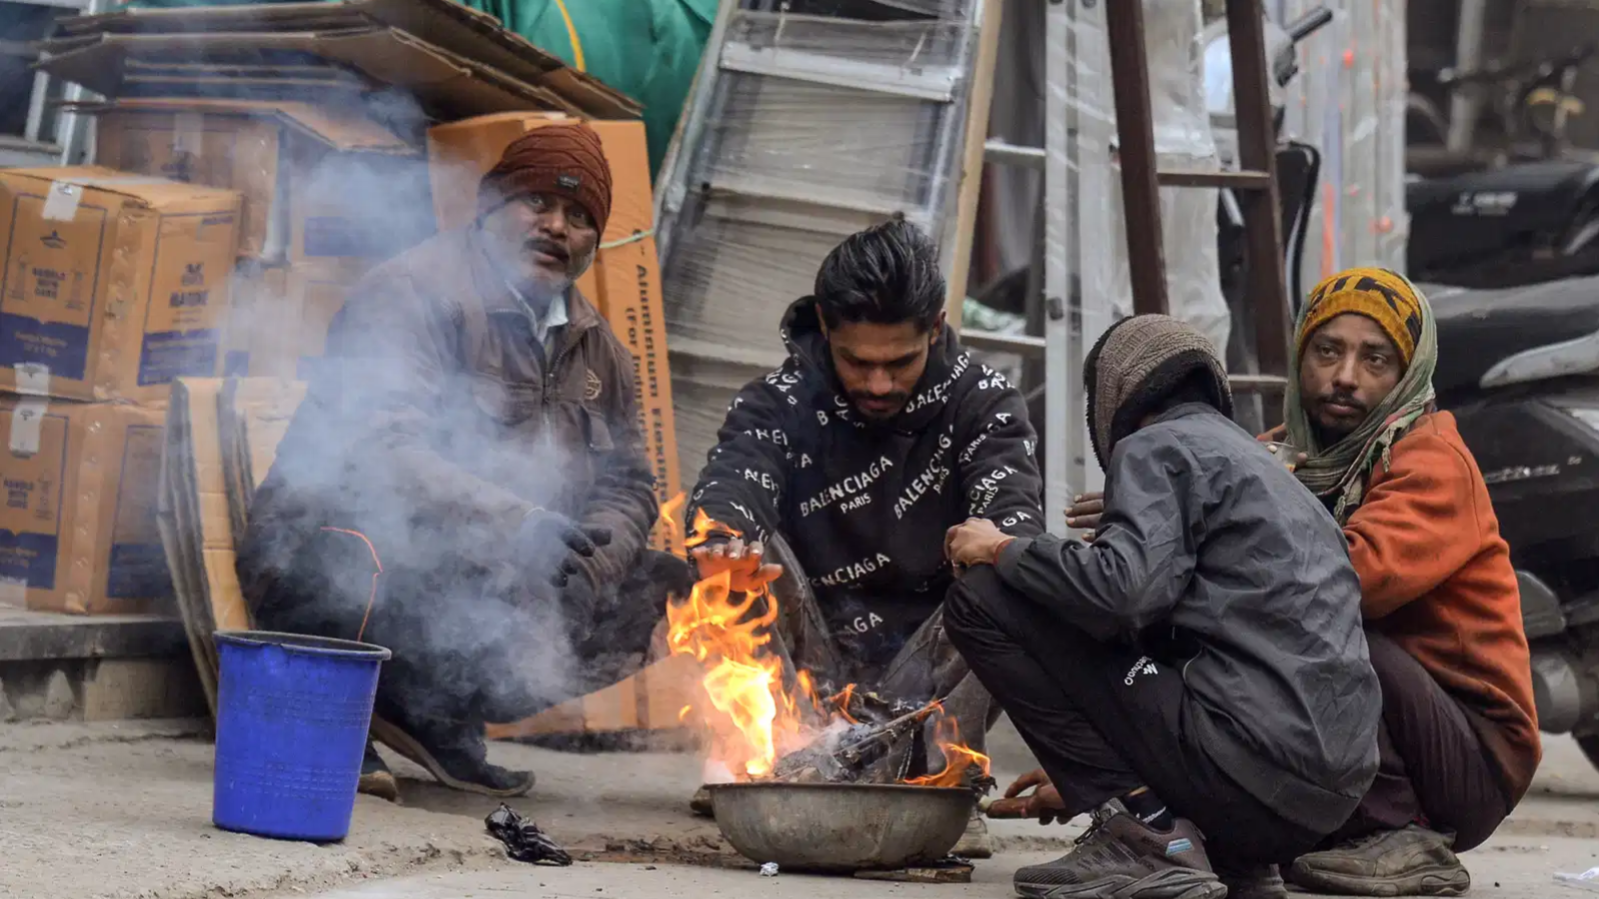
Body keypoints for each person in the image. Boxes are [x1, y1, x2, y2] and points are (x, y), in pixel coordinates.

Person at [237, 124, 689, 802]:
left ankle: (436, 708)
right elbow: (376, 454)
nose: (556, 227)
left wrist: (587, 567)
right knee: (363, 533)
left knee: (664, 585)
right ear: (489, 206)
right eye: (536, 204)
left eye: (579, 215)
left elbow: (628, 482)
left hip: (486, 569)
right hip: (343, 547)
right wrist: (517, 522)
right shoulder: (412, 292)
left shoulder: (601, 351)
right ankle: (327, 710)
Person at [944, 314, 1381, 899]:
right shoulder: (1270, 473)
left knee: (983, 596)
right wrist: (1098, 762)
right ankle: (1230, 856)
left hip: (1245, 767)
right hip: (1318, 805)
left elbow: (1119, 596)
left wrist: (1001, 548)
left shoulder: (1155, 444)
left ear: (1114, 399)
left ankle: (1146, 831)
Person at [682, 219, 1045, 855]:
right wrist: (725, 535)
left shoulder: (983, 402)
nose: (879, 385)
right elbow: (734, 478)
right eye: (857, 362)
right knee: (729, 552)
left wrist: (995, 541)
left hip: (933, 669)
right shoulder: (779, 399)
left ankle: (945, 779)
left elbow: (1013, 510)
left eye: (899, 362)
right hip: (810, 668)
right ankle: (766, 757)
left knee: (1012, 571)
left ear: (934, 328)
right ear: (825, 326)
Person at [1261, 268, 1539, 895]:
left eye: (1375, 359)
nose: (1345, 377)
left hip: (1470, 758)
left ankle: (1401, 830)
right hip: (1382, 726)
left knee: (1315, 615)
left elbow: (1349, 582)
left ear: (1407, 374)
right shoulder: (1285, 455)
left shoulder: (1429, 459)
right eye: (1327, 350)